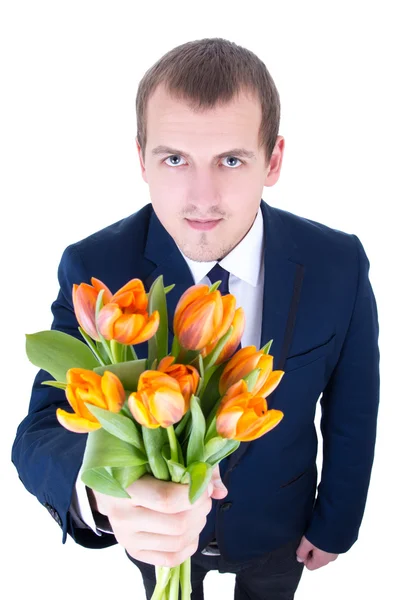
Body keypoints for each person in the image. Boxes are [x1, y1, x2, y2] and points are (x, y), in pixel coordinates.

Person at [12, 37, 380, 600]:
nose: (201, 197)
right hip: (153, 543)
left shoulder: (338, 264)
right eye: (175, 159)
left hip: (281, 529)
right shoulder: (96, 267)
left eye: (231, 160)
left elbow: (353, 411)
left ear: (273, 160)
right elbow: (40, 430)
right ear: (141, 158)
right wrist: (106, 497)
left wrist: (337, 523)